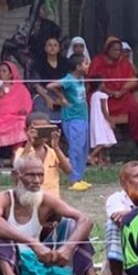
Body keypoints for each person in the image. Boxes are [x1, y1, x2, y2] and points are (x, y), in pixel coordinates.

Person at [0, 154, 100, 275]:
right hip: (7, 265)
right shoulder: (3, 198)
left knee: (73, 225)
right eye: (30, 175)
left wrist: (67, 249)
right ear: (15, 176)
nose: (37, 181)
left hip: (38, 262)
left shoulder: (46, 200)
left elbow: (85, 220)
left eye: (40, 175)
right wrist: (32, 243)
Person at [87, 37, 138, 144]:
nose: (117, 52)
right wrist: (109, 92)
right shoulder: (98, 61)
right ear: (108, 50)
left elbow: (132, 80)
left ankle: (134, 138)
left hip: (121, 94)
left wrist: (121, 92)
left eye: (119, 50)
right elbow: (93, 81)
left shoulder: (124, 62)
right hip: (102, 93)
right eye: (114, 50)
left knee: (133, 106)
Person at [47, 54, 90, 191]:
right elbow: (50, 85)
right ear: (77, 66)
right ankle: (73, 179)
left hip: (82, 117)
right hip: (72, 118)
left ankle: (80, 177)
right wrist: (61, 97)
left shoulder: (81, 79)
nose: (87, 66)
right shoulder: (69, 79)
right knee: (75, 148)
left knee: (83, 148)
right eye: (85, 63)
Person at [103, 161, 138, 275]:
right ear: (124, 183)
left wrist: (132, 213)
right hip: (127, 263)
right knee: (112, 225)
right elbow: (120, 221)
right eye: (137, 176)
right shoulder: (116, 199)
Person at [13, 113, 70, 198]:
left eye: (44, 130)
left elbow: (68, 170)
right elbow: (19, 169)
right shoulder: (22, 151)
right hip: (29, 198)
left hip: (52, 199)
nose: (39, 134)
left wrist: (56, 147)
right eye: (36, 130)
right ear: (26, 131)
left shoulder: (53, 152)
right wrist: (29, 142)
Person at [29, 36, 70, 119]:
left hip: (61, 94)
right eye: (50, 45)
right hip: (43, 94)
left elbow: (68, 82)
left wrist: (62, 96)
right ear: (45, 48)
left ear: (59, 48)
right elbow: (36, 84)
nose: (52, 48)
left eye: (55, 45)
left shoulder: (65, 63)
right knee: (40, 106)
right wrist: (47, 98)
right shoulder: (38, 63)